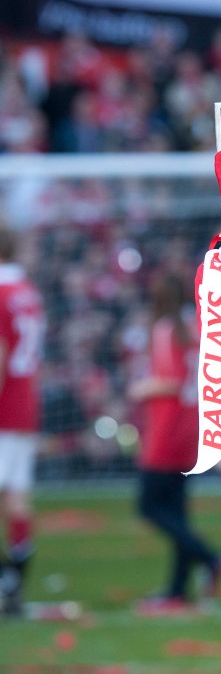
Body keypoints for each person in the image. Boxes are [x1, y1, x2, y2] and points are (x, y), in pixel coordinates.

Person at [129, 271, 221, 613]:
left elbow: (168, 380)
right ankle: (177, 590)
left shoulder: (166, 329)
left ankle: (209, 558)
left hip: (167, 429)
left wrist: (142, 388)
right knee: (178, 513)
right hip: (190, 427)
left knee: (149, 507)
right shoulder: (195, 327)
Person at [0, 225, 45, 617]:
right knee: (15, 497)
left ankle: (8, 581)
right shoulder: (27, 292)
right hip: (25, 404)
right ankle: (13, 582)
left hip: (3, 406)